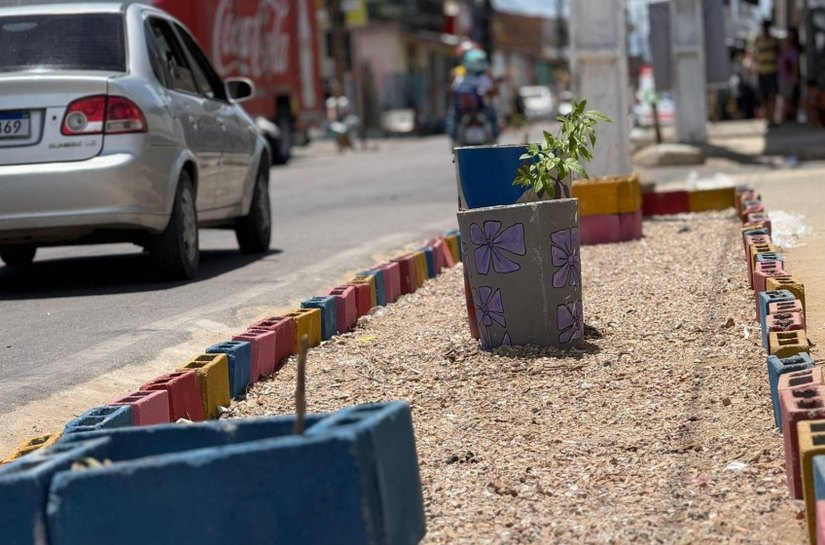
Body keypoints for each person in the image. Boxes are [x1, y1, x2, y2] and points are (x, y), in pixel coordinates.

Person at [451, 48, 498, 140]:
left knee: (453, 118)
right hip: (479, 109)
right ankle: (494, 139)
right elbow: (493, 92)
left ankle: (454, 140)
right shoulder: (484, 79)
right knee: (493, 117)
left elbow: (453, 91)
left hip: (464, 111)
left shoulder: (461, 78)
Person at [751, 19, 780, 126]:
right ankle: (768, 118)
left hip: (772, 71)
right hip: (762, 72)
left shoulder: (774, 40)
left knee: (772, 96)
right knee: (765, 96)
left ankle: (772, 118)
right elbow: (754, 54)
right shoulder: (758, 40)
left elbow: (778, 53)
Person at [778, 28, 801, 123]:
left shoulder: (793, 51)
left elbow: (795, 65)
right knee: (785, 98)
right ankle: (785, 116)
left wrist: (794, 77)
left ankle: (788, 117)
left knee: (789, 98)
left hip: (789, 77)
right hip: (782, 77)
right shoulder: (783, 50)